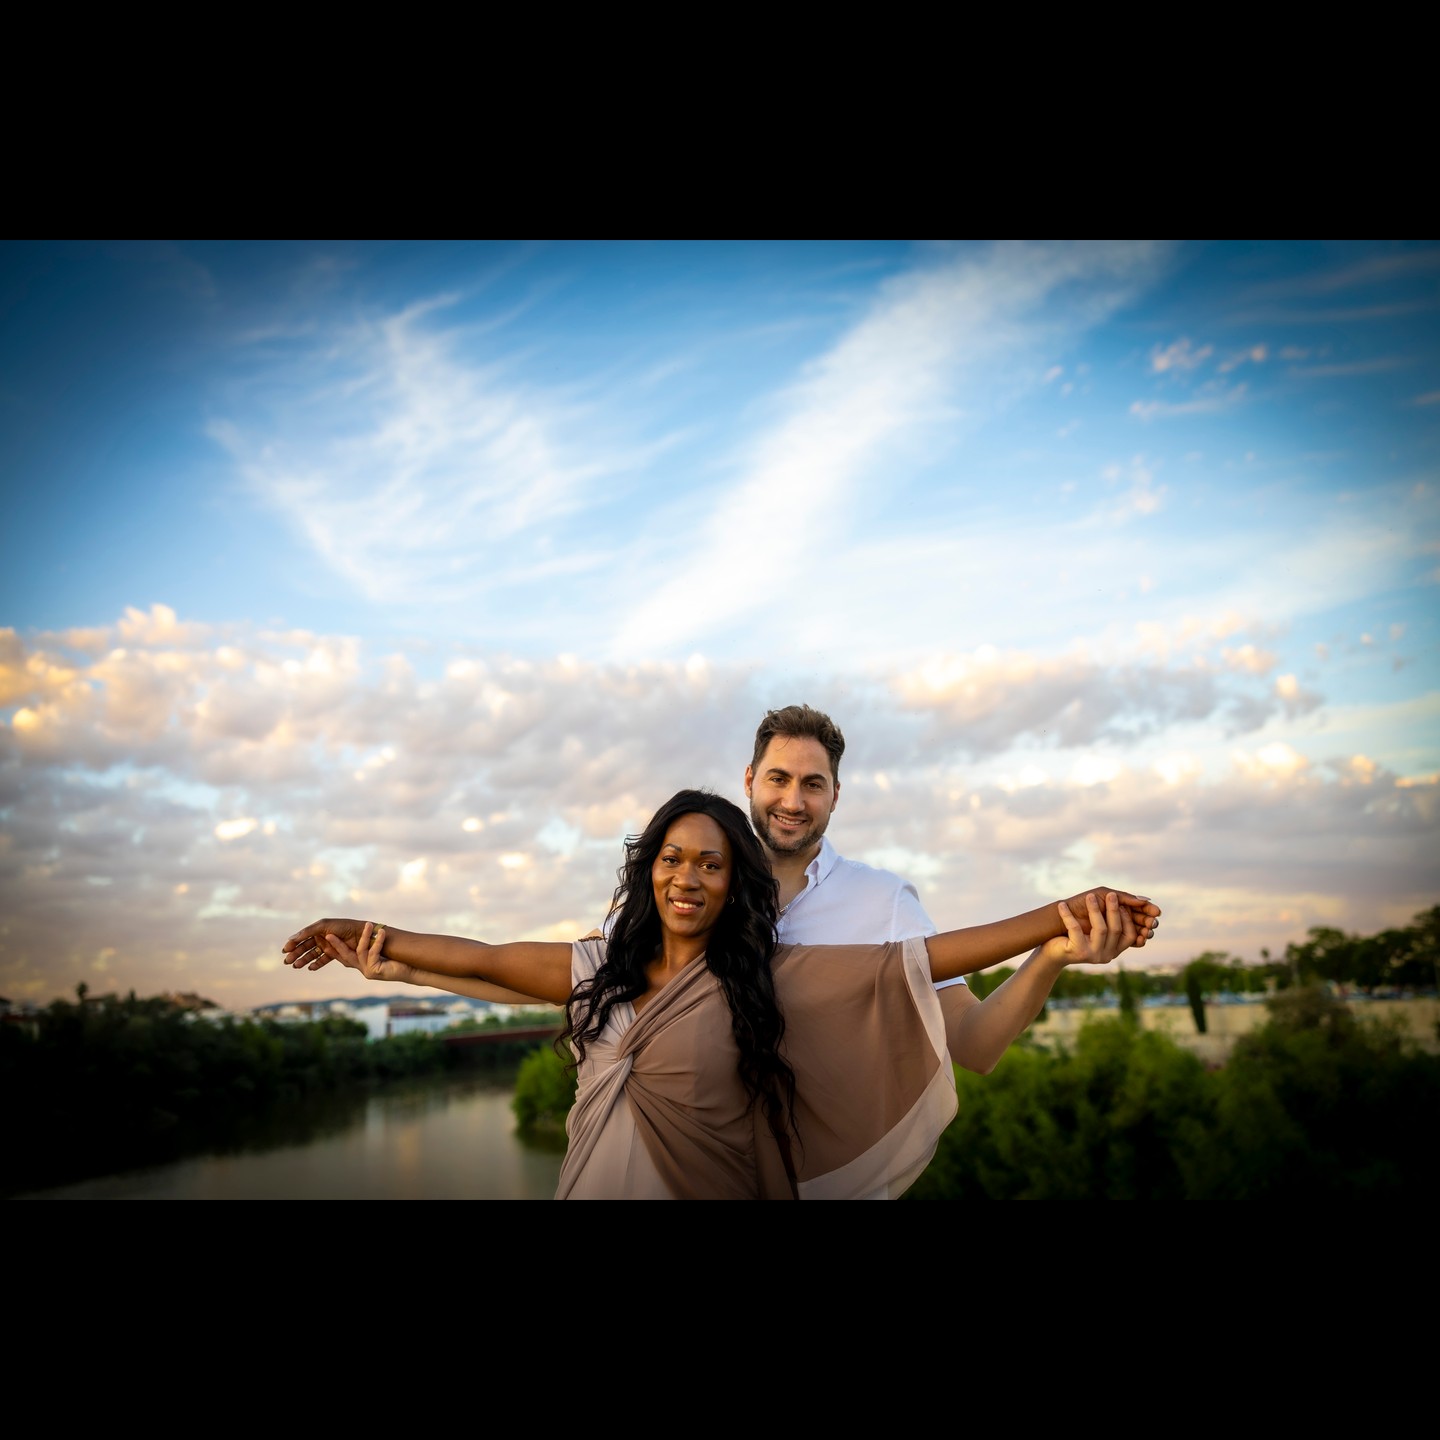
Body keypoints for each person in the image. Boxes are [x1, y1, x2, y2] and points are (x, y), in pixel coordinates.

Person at [282, 787, 1157, 1200]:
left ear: (732, 881)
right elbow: (478, 957)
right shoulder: (597, 969)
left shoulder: (771, 979)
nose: (688, 876)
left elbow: (928, 956)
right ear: (649, 871)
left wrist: (1061, 918)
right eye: (672, 858)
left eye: (710, 862)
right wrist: (369, 936)